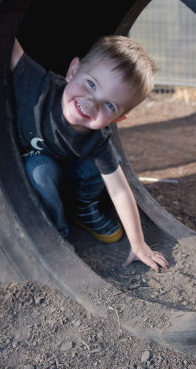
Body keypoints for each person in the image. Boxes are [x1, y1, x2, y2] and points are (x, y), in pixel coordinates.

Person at [11, 35, 169, 272]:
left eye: (110, 105)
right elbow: (5, 43)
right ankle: (57, 237)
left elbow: (119, 190)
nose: (92, 102)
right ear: (73, 70)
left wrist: (138, 244)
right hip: (39, 164)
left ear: (117, 119)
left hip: (70, 168)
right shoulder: (38, 86)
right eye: (92, 84)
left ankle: (83, 208)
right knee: (40, 171)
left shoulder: (98, 137)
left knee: (108, 160)